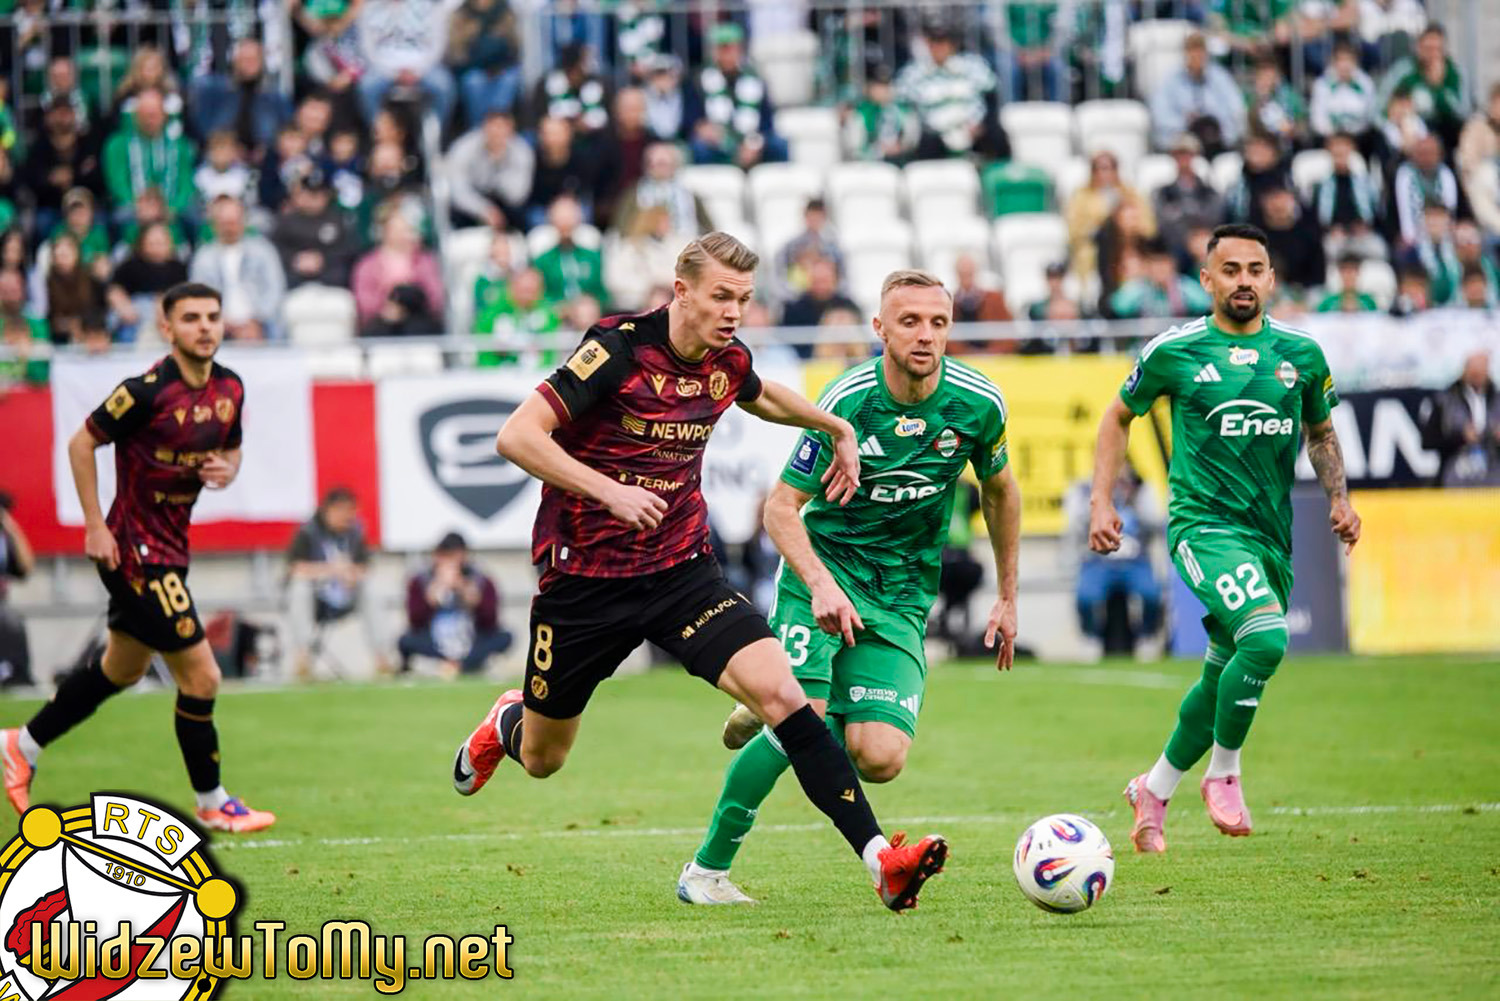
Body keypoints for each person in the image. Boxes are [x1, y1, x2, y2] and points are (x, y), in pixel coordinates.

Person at [449, 233, 949, 912]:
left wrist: (835, 425)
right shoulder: (617, 347)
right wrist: (608, 490)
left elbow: (758, 393)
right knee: (543, 756)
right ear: (681, 291)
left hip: (682, 571)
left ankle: (881, 859)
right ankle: (508, 719)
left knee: (786, 697)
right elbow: (518, 435)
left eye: (743, 299)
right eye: (721, 296)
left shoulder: (724, 358)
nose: (734, 311)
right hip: (585, 583)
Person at [679, 267, 1020, 905]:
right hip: (823, 574)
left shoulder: (979, 404)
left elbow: (1001, 490)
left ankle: (771, 702)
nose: (925, 336)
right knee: (799, 722)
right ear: (880, 328)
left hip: (901, 594)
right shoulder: (847, 402)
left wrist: (1007, 594)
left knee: (880, 757)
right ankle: (706, 873)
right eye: (910, 322)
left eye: (938, 323)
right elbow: (781, 510)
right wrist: (820, 585)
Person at [1090, 223, 1360, 853]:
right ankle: (1224, 772)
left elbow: (1320, 433)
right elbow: (1117, 415)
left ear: (1271, 279)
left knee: (1221, 674)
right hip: (1203, 527)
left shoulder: (1302, 354)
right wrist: (1102, 500)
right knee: (1266, 638)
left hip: (1271, 535)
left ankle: (1153, 791)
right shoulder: (1175, 351)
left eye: (1255, 269)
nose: (1244, 281)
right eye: (1230, 270)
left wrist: (1340, 500)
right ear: (1206, 280)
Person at [0, 282, 276, 833]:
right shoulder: (146, 391)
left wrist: (231, 468)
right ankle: (212, 800)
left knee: (120, 669)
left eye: (213, 317)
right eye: (191, 318)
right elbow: (82, 443)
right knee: (202, 677)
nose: (205, 327)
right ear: (167, 327)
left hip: (171, 548)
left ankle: (20, 745)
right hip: (132, 551)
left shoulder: (230, 388)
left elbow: (233, 446)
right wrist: (95, 526)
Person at [285, 487, 391, 679]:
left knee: (370, 588)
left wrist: (350, 573)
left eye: (350, 511)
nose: (347, 517)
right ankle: (302, 656)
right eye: (342, 511)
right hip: (317, 598)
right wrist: (331, 570)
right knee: (299, 588)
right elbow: (295, 569)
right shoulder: (308, 531)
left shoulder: (356, 532)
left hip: (346, 594)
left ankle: (382, 657)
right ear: (328, 510)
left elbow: (365, 568)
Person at [1067, 467, 1163, 654]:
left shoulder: (1141, 488)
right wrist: (1097, 505)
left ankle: (1146, 635)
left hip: (1135, 560)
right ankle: (1092, 635)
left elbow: (1156, 523)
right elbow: (1074, 525)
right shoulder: (1084, 489)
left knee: (1151, 595)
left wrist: (1134, 499)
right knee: (1086, 598)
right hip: (1098, 560)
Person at [398, 532, 513, 676]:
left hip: (470, 640)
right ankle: (456, 665)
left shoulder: (480, 579)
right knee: (405, 641)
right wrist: (433, 595)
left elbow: (491, 621)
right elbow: (415, 621)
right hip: (434, 641)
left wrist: (469, 595)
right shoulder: (420, 580)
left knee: (505, 637)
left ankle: (459, 665)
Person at [189, 196, 288, 342]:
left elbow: (275, 289)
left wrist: (255, 320)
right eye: (225, 223)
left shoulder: (263, 250)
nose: (230, 228)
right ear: (214, 225)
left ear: (243, 222)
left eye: (234, 222)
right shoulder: (203, 257)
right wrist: (220, 320)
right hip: (218, 324)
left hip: (261, 323)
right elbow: (198, 296)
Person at [1149, 32, 1245, 156]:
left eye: (1200, 51)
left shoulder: (1220, 78)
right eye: (1192, 51)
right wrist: (1185, 123)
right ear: (1185, 54)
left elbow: (1236, 110)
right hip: (1183, 144)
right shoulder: (1170, 81)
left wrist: (1216, 126)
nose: (1196, 56)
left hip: (1217, 142)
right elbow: (1160, 116)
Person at [1419, 351, 1500, 487]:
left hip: (1494, 480)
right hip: (1455, 480)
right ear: (1465, 371)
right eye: (1474, 372)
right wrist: (1460, 437)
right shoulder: (1444, 401)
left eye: (1481, 371)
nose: (1478, 377)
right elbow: (1427, 441)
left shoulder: (1497, 400)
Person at [445, 108, 534, 230]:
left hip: (505, 203)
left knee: (522, 215)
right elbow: (458, 191)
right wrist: (484, 210)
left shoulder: (522, 151)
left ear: (511, 130)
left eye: (502, 128)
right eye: (493, 127)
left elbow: (518, 195)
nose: (497, 133)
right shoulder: (463, 148)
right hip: (471, 205)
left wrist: (499, 162)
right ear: (484, 128)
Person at [0, 493, 35, 687]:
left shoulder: (5, 538)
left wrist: (11, 528)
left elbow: (26, 567)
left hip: (2, 603)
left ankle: (18, 675)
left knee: (13, 621)